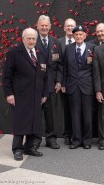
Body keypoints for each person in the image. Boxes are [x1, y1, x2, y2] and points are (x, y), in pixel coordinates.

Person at [3, 27, 48, 161]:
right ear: (23, 39)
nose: (31, 41)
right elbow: (6, 76)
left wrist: (44, 93)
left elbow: (44, 75)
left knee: (34, 121)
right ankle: (17, 149)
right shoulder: (14, 53)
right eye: (28, 38)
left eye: (33, 38)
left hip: (37, 95)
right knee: (20, 122)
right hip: (20, 96)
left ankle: (30, 147)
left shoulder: (39, 53)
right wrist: (9, 94)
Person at [63, 25, 95, 149]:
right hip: (72, 85)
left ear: (85, 36)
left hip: (87, 85)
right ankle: (76, 140)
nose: (78, 36)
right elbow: (65, 68)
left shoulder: (92, 48)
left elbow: (95, 69)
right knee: (75, 115)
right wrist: (64, 83)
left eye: (81, 34)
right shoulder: (68, 48)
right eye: (76, 34)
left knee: (87, 115)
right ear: (73, 36)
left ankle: (87, 141)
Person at [35, 15, 63, 149]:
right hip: (36, 83)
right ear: (38, 26)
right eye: (42, 25)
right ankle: (35, 139)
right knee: (36, 112)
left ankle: (51, 138)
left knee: (51, 113)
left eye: (46, 25)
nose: (44, 27)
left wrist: (59, 81)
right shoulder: (32, 41)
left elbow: (60, 65)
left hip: (52, 83)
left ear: (50, 27)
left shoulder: (56, 42)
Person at [58, 18, 76, 145]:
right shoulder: (58, 43)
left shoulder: (82, 41)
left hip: (79, 83)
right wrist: (62, 83)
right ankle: (67, 134)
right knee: (66, 109)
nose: (70, 28)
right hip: (65, 83)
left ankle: (76, 133)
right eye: (67, 26)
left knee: (77, 109)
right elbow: (59, 65)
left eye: (72, 26)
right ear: (64, 28)